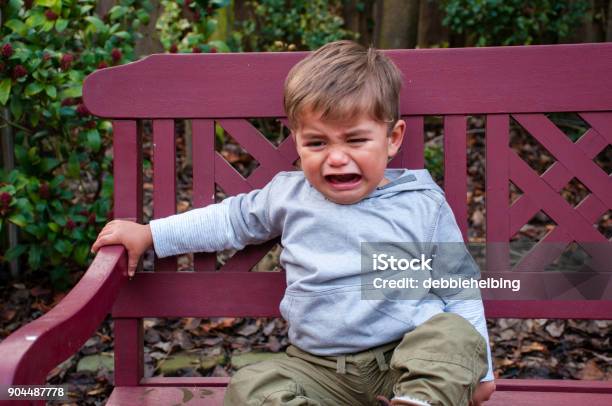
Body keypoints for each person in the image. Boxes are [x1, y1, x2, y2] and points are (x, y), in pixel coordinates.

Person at [91, 40, 496, 406]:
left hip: (402, 363)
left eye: (355, 140)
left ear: (392, 139)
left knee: (453, 334)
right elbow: (229, 220)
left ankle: (419, 403)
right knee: (250, 385)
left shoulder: (421, 204)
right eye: (317, 143)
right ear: (297, 140)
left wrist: (482, 373)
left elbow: (458, 287)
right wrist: (151, 234)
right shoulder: (289, 194)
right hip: (316, 369)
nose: (336, 157)